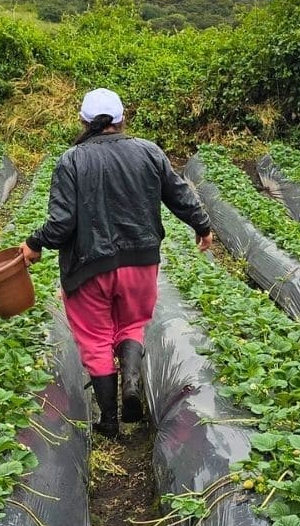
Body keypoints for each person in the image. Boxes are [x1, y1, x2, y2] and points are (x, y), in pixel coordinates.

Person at [21, 88, 212, 438]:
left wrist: (35, 243)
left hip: (89, 267)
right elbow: (179, 193)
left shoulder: (72, 160)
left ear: (84, 121)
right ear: (123, 119)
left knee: (95, 337)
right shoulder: (148, 151)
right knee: (132, 323)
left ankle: (109, 421)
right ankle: (132, 389)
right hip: (140, 263)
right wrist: (202, 225)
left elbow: (61, 223)